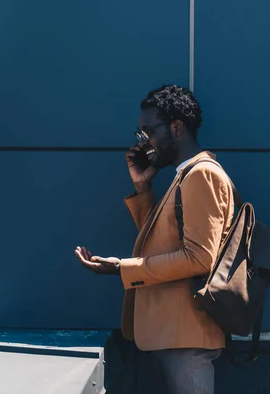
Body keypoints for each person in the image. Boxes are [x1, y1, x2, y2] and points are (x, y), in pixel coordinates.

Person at [74, 84, 235, 394]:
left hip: (186, 335)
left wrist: (122, 268)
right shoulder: (185, 175)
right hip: (172, 332)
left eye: (148, 131)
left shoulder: (202, 174)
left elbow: (199, 257)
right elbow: (161, 241)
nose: (144, 142)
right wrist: (143, 188)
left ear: (176, 128)